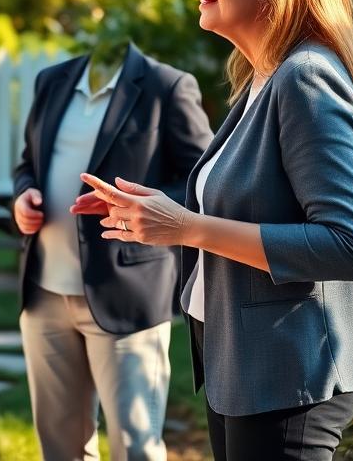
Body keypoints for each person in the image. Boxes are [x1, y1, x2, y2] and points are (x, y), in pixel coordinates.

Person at [73, 0, 353, 461]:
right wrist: (155, 208)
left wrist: (187, 228)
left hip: (290, 378)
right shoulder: (261, 80)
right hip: (241, 366)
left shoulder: (305, 79)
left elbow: (349, 246)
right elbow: (250, 204)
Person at [13, 33, 212, 461]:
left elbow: (204, 183)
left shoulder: (168, 86)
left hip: (128, 294)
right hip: (44, 293)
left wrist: (135, 205)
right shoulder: (51, 81)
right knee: (60, 448)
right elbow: (28, 163)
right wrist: (23, 195)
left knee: (134, 447)